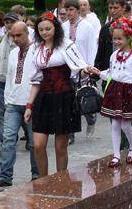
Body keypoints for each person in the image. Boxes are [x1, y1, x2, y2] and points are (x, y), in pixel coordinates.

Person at [24, 13, 95, 177]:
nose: (44, 32)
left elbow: (79, 69)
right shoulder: (36, 48)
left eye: (48, 29)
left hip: (63, 97)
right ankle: (43, 181)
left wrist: (86, 71)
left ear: (56, 28)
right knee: (38, 145)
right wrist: (29, 105)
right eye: (41, 30)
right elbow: (36, 81)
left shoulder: (66, 45)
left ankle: (61, 180)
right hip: (43, 98)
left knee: (60, 147)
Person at [92, 19, 132, 167]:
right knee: (115, 124)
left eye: (119, 39)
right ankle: (116, 154)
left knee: (126, 125)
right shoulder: (114, 55)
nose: (116, 42)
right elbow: (111, 73)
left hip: (128, 92)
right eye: (114, 39)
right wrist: (99, 73)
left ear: (128, 38)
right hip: (115, 90)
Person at [0, 22, 40, 187]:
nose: (15, 39)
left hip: (31, 102)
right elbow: (10, 76)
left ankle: (36, 174)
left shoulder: (37, 51)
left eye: (19, 35)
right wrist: (7, 100)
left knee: (33, 142)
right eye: (13, 36)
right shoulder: (13, 53)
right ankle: (5, 176)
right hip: (13, 102)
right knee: (8, 139)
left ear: (27, 33)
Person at [62, 0, 100, 137]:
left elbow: (92, 47)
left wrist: (89, 67)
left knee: (83, 97)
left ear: (78, 11)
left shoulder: (87, 26)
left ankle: (91, 119)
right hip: (67, 68)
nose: (69, 13)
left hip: (82, 68)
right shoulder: (63, 27)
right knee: (69, 101)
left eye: (71, 10)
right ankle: (70, 133)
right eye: (66, 10)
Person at [0, 12, 20, 144]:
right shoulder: (0, 40)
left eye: (12, 22)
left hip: (16, 85)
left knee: (19, 114)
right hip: (0, 83)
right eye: (7, 22)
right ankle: (5, 144)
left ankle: (26, 137)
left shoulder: (22, 41)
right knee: (1, 114)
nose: (9, 25)